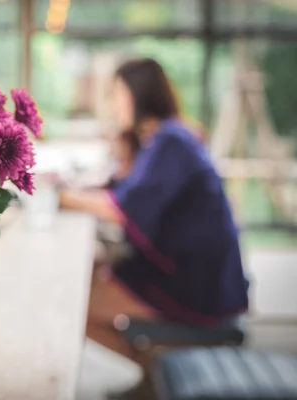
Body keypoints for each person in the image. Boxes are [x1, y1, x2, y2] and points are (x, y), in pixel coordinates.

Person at [59, 58, 249, 384]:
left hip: (197, 285)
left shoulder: (171, 141)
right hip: (200, 274)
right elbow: (125, 187)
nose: (113, 104)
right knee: (83, 283)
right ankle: (152, 380)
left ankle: (152, 378)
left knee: (67, 305)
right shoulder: (166, 137)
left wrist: (58, 195)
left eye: (117, 94)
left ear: (136, 94)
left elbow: (121, 207)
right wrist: (123, 146)